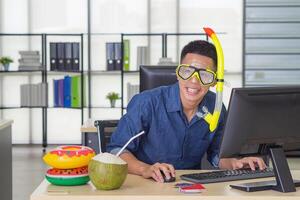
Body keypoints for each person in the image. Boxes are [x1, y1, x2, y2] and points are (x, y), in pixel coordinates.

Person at [107, 40, 266, 183]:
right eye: (187, 71)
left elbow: (217, 155)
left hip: (189, 186)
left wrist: (235, 163)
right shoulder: (146, 103)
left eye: (204, 75)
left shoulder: (215, 107)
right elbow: (117, 151)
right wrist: (145, 169)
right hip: (146, 184)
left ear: (214, 82)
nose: (194, 80)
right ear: (178, 73)